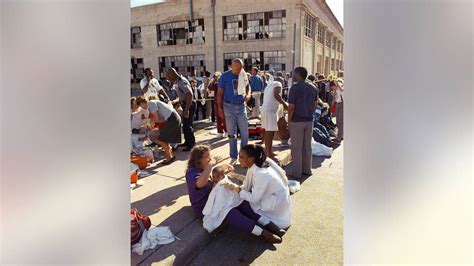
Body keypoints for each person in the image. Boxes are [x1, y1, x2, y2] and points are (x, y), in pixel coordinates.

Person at [185, 145, 283, 243]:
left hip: (218, 200)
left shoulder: (204, 167)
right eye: (207, 157)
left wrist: (224, 167)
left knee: (240, 200)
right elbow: (200, 183)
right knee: (230, 213)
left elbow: (214, 174)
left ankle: (268, 224)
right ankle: (263, 233)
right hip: (206, 207)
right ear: (198, 159)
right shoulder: (191, 172)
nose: (210, 159)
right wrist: (211, 165)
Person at [223, 144, 291, 231]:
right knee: (240, 198)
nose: (239, 160)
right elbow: (249, 183)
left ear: (251, 159)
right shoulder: (260, 163)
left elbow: (254, 198)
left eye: (241, 157)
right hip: (277, 200)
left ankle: (266, 229)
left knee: (241, 203)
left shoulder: (261, 174)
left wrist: (237, 189)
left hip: (276, 206)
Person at [216, 58, 251, 165]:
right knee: (232, 134)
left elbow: (248, 86)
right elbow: (219, 93)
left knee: (245, 133)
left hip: (241, 107)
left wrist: (248, 95)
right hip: (228, 107)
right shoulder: (225, 76)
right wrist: (220, 108)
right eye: (236, 69)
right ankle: (233, 156)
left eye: (240, 68)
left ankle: (243, 155)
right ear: (231, 67)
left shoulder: (243, 74)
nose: (238, 71)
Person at [287, 67, 318, 180]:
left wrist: (289, 121)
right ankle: (307, 169)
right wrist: (310, 113)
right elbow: (315, 104)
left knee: (296, 147)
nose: (293, 75)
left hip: (297, 120)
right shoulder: (313, 87)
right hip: (309, 120)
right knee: (307, 146)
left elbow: (291, 107)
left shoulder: (294, 88)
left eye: (294, 73)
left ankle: (296, 173)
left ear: (299, 74)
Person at [166, 68, 196, 151]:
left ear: (172, 74)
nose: (167, 78)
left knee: (188, 125)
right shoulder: (176, 82)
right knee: (185, 125)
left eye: (168, 76)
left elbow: (189, 95)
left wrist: (186, 109)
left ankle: (191, 144)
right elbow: (181, 95)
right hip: (184, 104)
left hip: (189, 105)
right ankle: (187, 142)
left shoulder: (181, 81)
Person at [146, 98, 182, 165]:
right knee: (163, 139)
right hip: (174, 118)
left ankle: (169, 158)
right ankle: (171, 156)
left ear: (142, 103)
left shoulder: (150, 103)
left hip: (172, 119)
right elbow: (161, 120)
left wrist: (149, 121)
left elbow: (156, 119)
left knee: (161, 139)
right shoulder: (154, 103)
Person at [261, 77, 288, 163]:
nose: (283, 85)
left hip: (266, 110)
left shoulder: (269, 85)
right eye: (283, 83)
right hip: (270, 111)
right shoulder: (278, 84)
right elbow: (277, 95)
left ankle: (268, 151)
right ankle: (269, 152)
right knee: (270, 132)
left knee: (268, 131)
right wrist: (284, 104)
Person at [208, 72, 226, 138]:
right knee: (218, 118)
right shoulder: (215, 84)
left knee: (225, 118)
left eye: (217, 76)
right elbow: (210, 88)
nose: (217, 77)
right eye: (215, 76)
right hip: (216, 103)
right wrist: (214, 80)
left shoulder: (224, 83)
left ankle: (226, 131)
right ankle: (220, 132)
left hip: (224, 102)